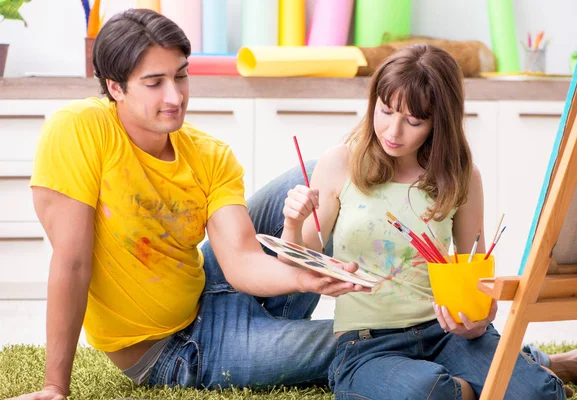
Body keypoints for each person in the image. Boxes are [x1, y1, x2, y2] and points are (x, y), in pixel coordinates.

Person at [11, 9, 369, 400]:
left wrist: (305, 275)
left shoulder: (209, 155)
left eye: (180, 75)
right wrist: (53, 387)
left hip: (211, 285)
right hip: (175, 349)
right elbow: (73, 260)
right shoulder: (80, 130)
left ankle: (276, 320)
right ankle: (281, 328)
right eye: (154, 83)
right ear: (115, 88)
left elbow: (241, 260)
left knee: (321, 172)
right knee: (363, 339)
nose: (175, 96)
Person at [280, 44, 567, 399]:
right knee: (427, 391)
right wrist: (293, 222)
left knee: (537, 394)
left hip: (446, 335)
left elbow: (475, 274)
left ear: (438, 123)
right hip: (368, 346)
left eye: (413, 121)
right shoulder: (341, 162)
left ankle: (494, 380)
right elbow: (298, 259)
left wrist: (482, 314)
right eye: (385, 111)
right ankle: (467, 389)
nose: (393, 131)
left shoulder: (462, 176)